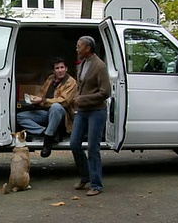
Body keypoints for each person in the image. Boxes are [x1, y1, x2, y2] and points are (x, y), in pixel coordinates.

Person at [70, 36, 111, 196]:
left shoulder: (99, 66)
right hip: (83, 111)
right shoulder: (83, 63)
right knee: (74, 143)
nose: (77, 49)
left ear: (87, 48)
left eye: (79, 46)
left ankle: (96, 185)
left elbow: (105, 92)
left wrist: (83, 99)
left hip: (97, 111)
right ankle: (85, 176)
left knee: (93, 148)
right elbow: (82, 85)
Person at [17, 57, 77, 158]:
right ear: (54, 70)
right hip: (46, 112)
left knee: (56, 107)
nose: (60, 70)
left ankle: (48, 141)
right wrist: (34, 99)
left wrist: (43, 101)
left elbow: (64, 101)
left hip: (63, 116)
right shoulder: (50, 79)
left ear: (66, 68)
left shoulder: (71, 82)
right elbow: (41, 94)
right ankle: (45, 132)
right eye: (57, 68)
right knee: (20, 116)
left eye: (62, 67)